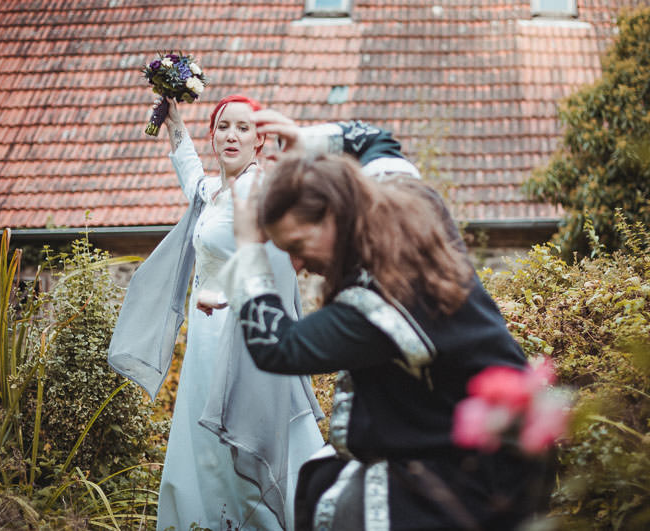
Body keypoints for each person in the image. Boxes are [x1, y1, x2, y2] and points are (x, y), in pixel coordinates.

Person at [218, 115, 555, 530]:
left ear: (334, 215)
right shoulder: (407, 202)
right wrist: (306, 141)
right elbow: (375, 139)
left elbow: (278, 346)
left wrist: (250, 250)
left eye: (298, 246)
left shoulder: (382, 300)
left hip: (481, 468)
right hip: (461, 430)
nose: (299, 265)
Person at [107, 95, 324, 531]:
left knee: (255, 431)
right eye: (223, 126)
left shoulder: (262, 191)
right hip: (205, 343)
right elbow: (189, 173)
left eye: (244, 128)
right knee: (207, 442)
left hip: (247, 337)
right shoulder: (211, 193)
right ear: (213, 135)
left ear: (259, 140)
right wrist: (174, 122)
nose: (232, 135)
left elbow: (286, 250)